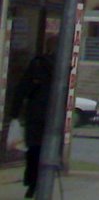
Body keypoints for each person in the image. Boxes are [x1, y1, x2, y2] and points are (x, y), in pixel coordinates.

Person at [6, 55, 53, 198]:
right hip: (52, 116)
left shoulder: (37, 64)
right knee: (46, 147)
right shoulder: (62, 67)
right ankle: (41, 177)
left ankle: (32, 181)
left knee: (34, 148)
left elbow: (22, 89)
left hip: (35, 114)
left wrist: (14, 113)